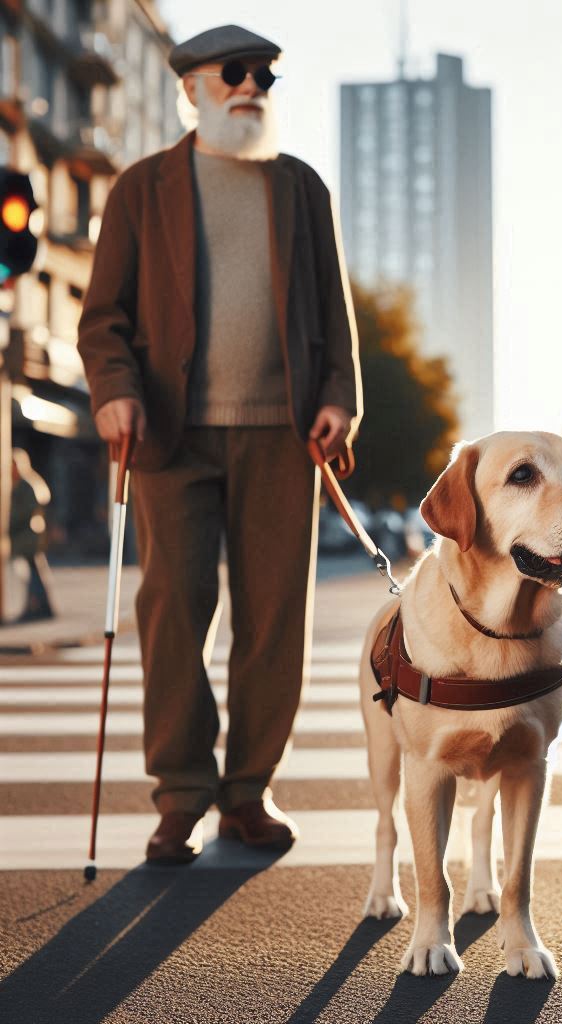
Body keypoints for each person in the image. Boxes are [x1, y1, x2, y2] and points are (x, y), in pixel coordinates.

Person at [77, 25, 362, 864]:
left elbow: (335, 314)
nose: (252, 87)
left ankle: (247, 792)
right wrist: (117, 393)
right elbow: (104, 319)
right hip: (172, 435)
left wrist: (340, 401)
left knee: (276, 620)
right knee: (173, 613)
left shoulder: (302, 189)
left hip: (284, 436)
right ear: (192, 89)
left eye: (264, 75)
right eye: (234, 74)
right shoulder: (142, 189)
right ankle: (180, 795)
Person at [9, 449, 55, 621]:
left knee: (32, 575)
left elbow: (27, 510)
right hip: (27, 537)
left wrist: (9, 521)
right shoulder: (25, 483)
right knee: (32, 574)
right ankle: (37, 606)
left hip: (29, 537)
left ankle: (39, 607)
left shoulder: (26, 484)